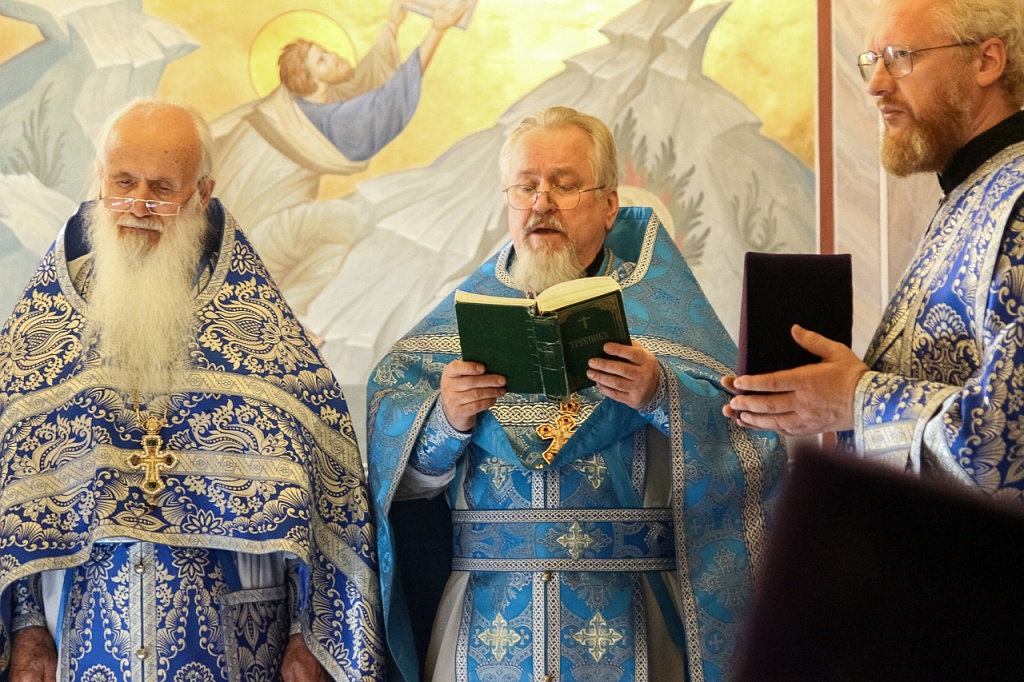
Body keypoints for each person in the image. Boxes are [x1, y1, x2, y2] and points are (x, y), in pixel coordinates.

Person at [367, 106, 786, 682]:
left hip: (632, 622)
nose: (542, 203)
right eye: (526, 186)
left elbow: (750, 444)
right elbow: (399, 488)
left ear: (609, 204)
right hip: (484, 630)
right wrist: (445, 420)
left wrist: (662, 394)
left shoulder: (668, 323)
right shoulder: (449, 331)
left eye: (564, 185)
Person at [0, 100, 384, 681]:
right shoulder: (50, 328)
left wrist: (309, 638)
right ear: (99, 180)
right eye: (122, 182)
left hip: (237, 639)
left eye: (162, 188)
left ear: (203, 194)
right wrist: (27, 630)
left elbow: (327, 499)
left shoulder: (257, 332)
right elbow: (16, 490)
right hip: (86, 635)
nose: (139, 205)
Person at [723, 0, 1024, 498]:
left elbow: (1007, 442)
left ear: (987, 61)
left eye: (900, 57)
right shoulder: (971, 193)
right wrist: (828, 395)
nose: (875, 84)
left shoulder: (1016, 195)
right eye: (872, 61)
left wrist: (856, 398)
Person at [212, 0, 470, 314]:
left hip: (243, 238)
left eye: (327, 51)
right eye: (322, 60)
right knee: (343, 220)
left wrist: (392, 26)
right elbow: (385, 104)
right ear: (311, 80)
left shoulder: (292, 106)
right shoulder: (325, 122)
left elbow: (360, 85)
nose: (334, 56)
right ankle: (291, 309)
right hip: (259, 241)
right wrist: (436, 31)